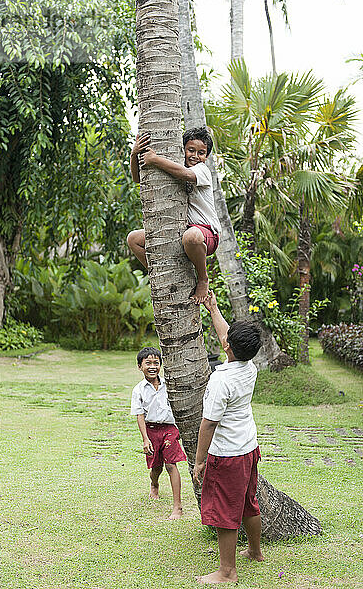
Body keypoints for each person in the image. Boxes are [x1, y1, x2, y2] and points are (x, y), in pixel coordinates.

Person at [193, 292, 264, 585]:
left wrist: (199, 463)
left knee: (224, 512)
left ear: (228, 348)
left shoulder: (221, 379)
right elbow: (228, 338)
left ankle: (227, 572)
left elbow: (208, 424)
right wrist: (213, 308)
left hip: (227, 454)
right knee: (249, 501)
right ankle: (255, 552)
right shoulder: (249, 366)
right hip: (248, 447)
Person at [127, 127, 221, 304]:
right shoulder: (173, 167)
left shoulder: (202, 170)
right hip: (179, 232)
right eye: (190, 150)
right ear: (182, 149)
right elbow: (138, 179)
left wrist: (154, 159)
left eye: (201, 153)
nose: (195, 156)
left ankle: (203, 278)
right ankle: (158, 274)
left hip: (206, 234)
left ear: (206, 157)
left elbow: (186, 174)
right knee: (134, 239)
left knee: (192, 236)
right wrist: (134, 154)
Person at [130, 346, 187, 520]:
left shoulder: (169, 385)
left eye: (156, 362)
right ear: (140, 366)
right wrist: (145, 439)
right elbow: (140, 415)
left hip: (170, 430)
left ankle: (177, 507)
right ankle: (154, 484)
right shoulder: (138, 390)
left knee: (171, 465)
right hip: (152, 431)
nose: (152, 366)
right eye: (148, 363)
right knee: (156, 467)